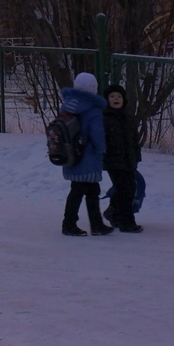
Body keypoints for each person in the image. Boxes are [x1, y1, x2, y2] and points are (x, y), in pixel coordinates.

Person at [60, 71, 111, 237]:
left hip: (71, 154)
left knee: (82, 190)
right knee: (85, 191)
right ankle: (73, 224)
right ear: (94, 89)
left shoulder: (67, 104)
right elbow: (97, 133)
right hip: (88, 156)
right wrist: (101, 149)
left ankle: (93, 224)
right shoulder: (94, 110)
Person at [101, 84, 144, 233]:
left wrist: (136, 157)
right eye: (112, 96)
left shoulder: (128, 117)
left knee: (126, 189)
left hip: (129, 160)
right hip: (113, 161)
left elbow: (134, 139)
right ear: (107, 100)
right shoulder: (104, 117)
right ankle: (127, 222)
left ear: (123, 100)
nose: (116, 99)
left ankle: (113, 213)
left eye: (119, 96)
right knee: (126, 189)